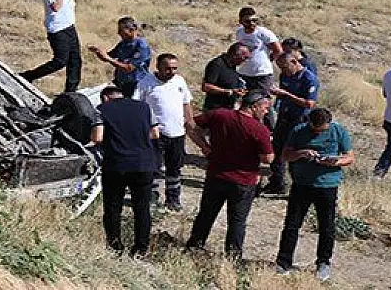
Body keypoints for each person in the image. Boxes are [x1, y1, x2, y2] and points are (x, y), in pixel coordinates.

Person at [185, 90, 275, 259]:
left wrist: (204, 146)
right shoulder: (259, 129)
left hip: (216, 175)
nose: (267, 111)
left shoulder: (219, 115)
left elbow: (190, 125)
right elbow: (268, 158)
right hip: (243, 181)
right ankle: (232, 257)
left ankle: (194, 246)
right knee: (237, 221)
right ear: (254, 107)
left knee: (206, 214)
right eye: (265, 107)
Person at [275, 108, 354, 282]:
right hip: (302, 184)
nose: (318, 132)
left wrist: (335, 161)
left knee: (326, 227)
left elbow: (349, 157)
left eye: (322, 129)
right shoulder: (298, 131)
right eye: (315, 129)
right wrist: (301, 153)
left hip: (327, 185)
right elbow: (285, 155)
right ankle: (283, 262)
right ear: (309, 123)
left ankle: (323, 263)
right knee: (292, 224)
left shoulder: (338, 131)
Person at [90, 86, 160, 257]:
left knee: (113, 208)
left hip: (116, 164)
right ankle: (140, 248)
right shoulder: (144, 107)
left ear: (105, 98)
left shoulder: (102, 109)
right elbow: (155, 134)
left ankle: (115, 246)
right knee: (142, 208)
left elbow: (97, 137)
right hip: (144, 164)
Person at [134, 53, 193, 211]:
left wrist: (190, 121)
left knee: (174, 168)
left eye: (174, 68)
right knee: (153, 168)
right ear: (158, 67)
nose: (171, 72)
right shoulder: (145, 83)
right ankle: (151, 198)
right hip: (156, 134)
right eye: (167, 68)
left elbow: (186, 103)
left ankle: (173, 199)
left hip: (177, 133)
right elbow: (137, 107)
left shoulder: (179, 81)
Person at [263, 52, 319, 195]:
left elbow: (309, 103)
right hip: (284, 116)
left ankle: (299, 187)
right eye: (281, 68)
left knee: (295, 153)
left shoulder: (309, 79)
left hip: (299, 120)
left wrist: (287, 95)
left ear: (294, 62)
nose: (284, 71)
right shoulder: (285, 76)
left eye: (285, 67)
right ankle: (277, 182)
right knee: (276, 150)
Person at [20, 0, 82, 92]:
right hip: (57, 30)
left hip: (70, 28)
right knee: (60, 60)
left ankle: (70, 91)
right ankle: (30, 75)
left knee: (75, 60)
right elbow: (55, 7)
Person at [89, 16, 152, 98]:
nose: (118, 33)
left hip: (136, 85)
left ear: (131, 30)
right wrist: (99, 52)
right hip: (121, 83)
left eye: (121, 30)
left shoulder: (141, 46)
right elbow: (109, 56)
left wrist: (108, 59)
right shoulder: (123, 43)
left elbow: (129, 68)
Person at [235, 7, 282, 94]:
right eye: (248, 21)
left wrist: (269, 60)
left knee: (262, 100)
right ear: (241, 21)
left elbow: (278, 50)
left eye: (254, 20)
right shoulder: (239, 32)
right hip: (244, 72)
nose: (252, 23)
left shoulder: (263, 33)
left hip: (262, 74)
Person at [201, 42, 251, 111]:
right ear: (235, 55)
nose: (245, 61)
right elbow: (206, 87)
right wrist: (228, 91)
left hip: (228, 108)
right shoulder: (217, 64)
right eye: (245, 57)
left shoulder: (233, 66)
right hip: (215, 109)